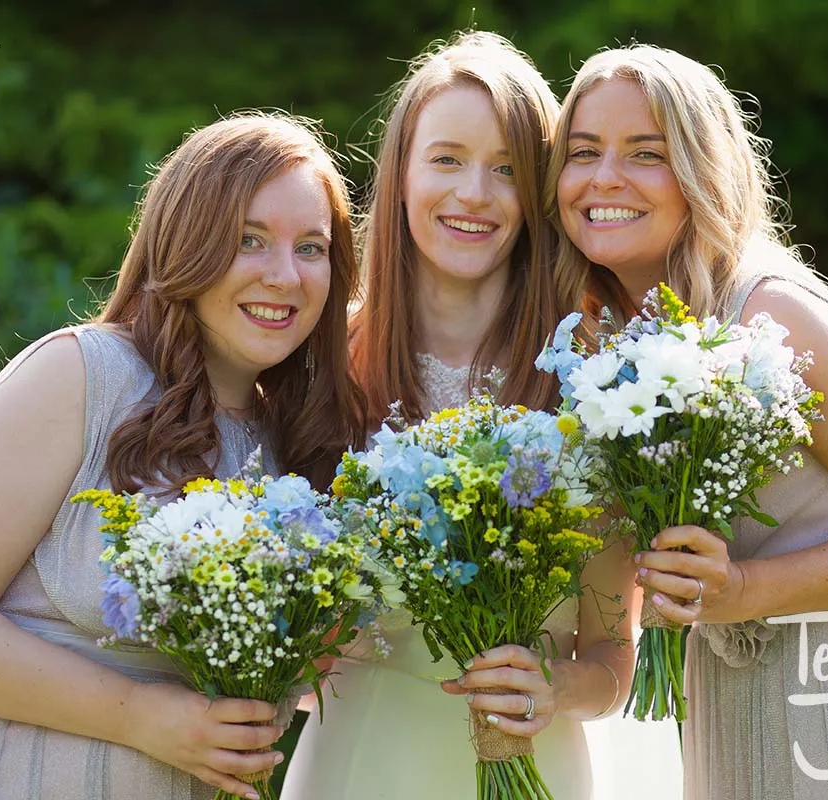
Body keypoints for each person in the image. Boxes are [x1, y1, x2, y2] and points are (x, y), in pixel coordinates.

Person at [0, 113, 364, 800]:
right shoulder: (82, 375)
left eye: (312, 248)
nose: (284, 276)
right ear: (186, 245)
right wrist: (141, 717)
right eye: (249, 240)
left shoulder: (293, 453)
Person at [549, 44, 828, 799]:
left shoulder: (774, 313)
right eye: (583, 152)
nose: (604, 178)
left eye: (645, 153)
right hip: (730, 699)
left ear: (701, 170)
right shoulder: (610, 341)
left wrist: (745, 588)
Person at [282, 32, 683, 800]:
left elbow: (611, 657)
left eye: (506, 170)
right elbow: (300, 652)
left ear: (537, 195)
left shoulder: (595, 385)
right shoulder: (322, 363)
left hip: (540, 768)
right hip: (358, 766)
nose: (474, 193)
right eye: (446, 160)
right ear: (400, 173)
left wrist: (553, 691)